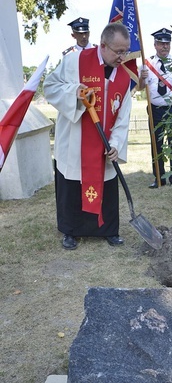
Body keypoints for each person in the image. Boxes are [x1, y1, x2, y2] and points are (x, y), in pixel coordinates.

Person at [44, 22, 132, 250]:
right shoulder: (75, 61)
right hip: (75, 140)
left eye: (126, 51)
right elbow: (50, 86)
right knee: (72, 186)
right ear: (103, 45)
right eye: (118, 51)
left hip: (104, 145)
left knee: (107, 187)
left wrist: (115, 144)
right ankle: (70, 231)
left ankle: (109, 230)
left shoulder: (124, 78)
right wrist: (74, 92)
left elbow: (122, 118)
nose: (123, 57)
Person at [138, 28, 172, 188]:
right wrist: (142, 78)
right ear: (155, 45)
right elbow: (140, 88)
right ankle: (159, 178)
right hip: (155, 109)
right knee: (157, 144)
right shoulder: (146, 65)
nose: (164, 47)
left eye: (167, 43)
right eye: (161, 43)